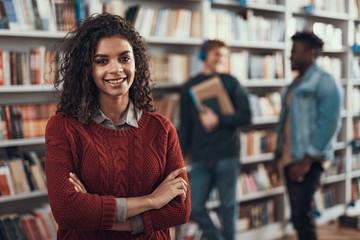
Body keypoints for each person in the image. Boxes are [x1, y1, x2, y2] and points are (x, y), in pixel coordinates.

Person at [45, 13, 191, 240]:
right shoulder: (63, 127)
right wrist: (152, 200)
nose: (116, 69)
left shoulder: (162, 129)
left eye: (124, 58)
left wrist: (99, 216)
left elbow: (180, 210)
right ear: (87, 68)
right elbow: (67, 210)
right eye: (102, 61)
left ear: (136, 62)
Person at [272, 31, 343, 240]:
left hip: (306, 161)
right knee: (297, 216)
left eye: (295, 51)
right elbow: (285, 124)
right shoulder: (295, 84)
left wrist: (306, 161)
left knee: (302, 217)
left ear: (311, 53)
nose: (290, 56)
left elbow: (329, 124)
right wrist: (276, 157)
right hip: (288, 158)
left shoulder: (325, 81)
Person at [178, 39, 251, 240]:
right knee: (195, 207)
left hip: (227, 154)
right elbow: (185, 126)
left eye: (224, 56)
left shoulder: (232, 83)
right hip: (201, 156)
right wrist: (179, 158)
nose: (221, 59)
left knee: (228, 207)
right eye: (217, 54)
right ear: (204, 55)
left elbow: (246, 117)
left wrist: (219, 119)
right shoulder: (189, 87)